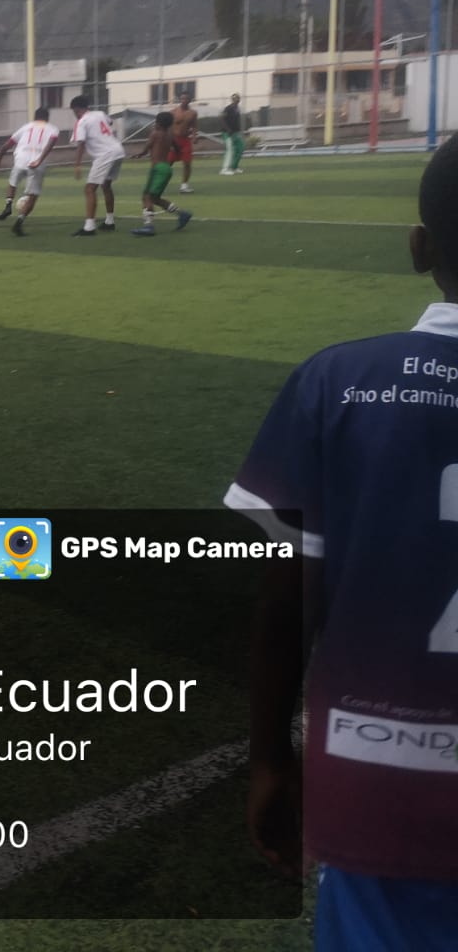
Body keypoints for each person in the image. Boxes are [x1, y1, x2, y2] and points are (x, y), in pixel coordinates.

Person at [230, 132, 458, 949]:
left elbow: (284, 597)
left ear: (419, 248)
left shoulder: (338, 382)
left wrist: (269, 758)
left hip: (380, 782)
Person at [0, 107, 60, 236]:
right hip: (36, 163)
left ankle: (8, 205)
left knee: (12, 183)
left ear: (35, 117)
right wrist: (39, 160)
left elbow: (7, 145)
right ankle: (19, 223)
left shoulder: (26, 127)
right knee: (33, 196)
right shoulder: (53, 129)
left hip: (20, 160)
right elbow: (50, 144)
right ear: (47, 118)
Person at [67, 96, 125, 236]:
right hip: (118, 150)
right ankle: (109, 222)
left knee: (89, 189)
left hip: (105, 154)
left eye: (74, 111)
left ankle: (89, 227)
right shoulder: (100, 113)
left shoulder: (81, 122)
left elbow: (80, 144)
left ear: (77, 109)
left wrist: (77, 165)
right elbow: (110, 122)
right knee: (106, 185)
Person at [129, 112, 192, 236]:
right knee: (155, 198)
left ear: (157, 123)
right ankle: (182, 214)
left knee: (147, 197)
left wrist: (139, 154)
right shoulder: (170, 135)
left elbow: (146, 149)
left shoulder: (155, 134)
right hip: (166, 167)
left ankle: (149, 226)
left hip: (158, 169)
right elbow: (177, 148)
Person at [170, 93, 199, 193]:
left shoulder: (193, 113)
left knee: (187, 163)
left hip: (186, 140)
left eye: (186, 99)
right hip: (174, 140)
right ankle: (159, 182)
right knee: (168, 163)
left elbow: (194, 126)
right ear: (180, 99)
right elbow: (168, 127)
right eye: (182, 98)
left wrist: (194, 136)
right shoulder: (173, 112)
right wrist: (169, 141)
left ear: (190, 100)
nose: (184, 100)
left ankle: (184, 185)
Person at [220, 93, 246, 176]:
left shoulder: (237, 109)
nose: (236, 100)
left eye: (238, 98)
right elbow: (222, 119)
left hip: (235, 133)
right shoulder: (228, 108)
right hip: (227, 133)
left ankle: (234, 167)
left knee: (240, 148)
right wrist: (228, 130)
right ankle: (224, 169)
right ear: (232, 99)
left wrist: (238, 131)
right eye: (234, 98)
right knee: (230, 150)